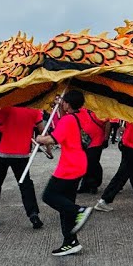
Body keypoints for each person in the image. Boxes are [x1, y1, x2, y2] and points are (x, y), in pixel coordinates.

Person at [33, 90, 94, 256]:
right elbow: (64, 125)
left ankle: (79, 211)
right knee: (65, 204)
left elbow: (53, 139)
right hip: (79, 163)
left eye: (64, 102)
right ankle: (70, 241)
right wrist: (60, 106)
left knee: (49, 196)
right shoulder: (80, 116)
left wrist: (40, 139)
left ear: (68, 103)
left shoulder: (68, 120)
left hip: (69, 166)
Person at [0, 105, 45, 228]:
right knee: (25, 184)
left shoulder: (6, 108)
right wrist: (47, 149)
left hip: (2, 153)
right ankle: (33, 214)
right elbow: (42, 130)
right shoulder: (34, 111)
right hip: (22, 154)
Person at [76, 107, 108, 195]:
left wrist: (106, 138)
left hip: (97, 141)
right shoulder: (81, 110)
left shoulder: (99, 110)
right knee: (86, 163)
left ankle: (93, 185)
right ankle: (85, 185)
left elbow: (107, 122)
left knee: (93, 163)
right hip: (85, 142)